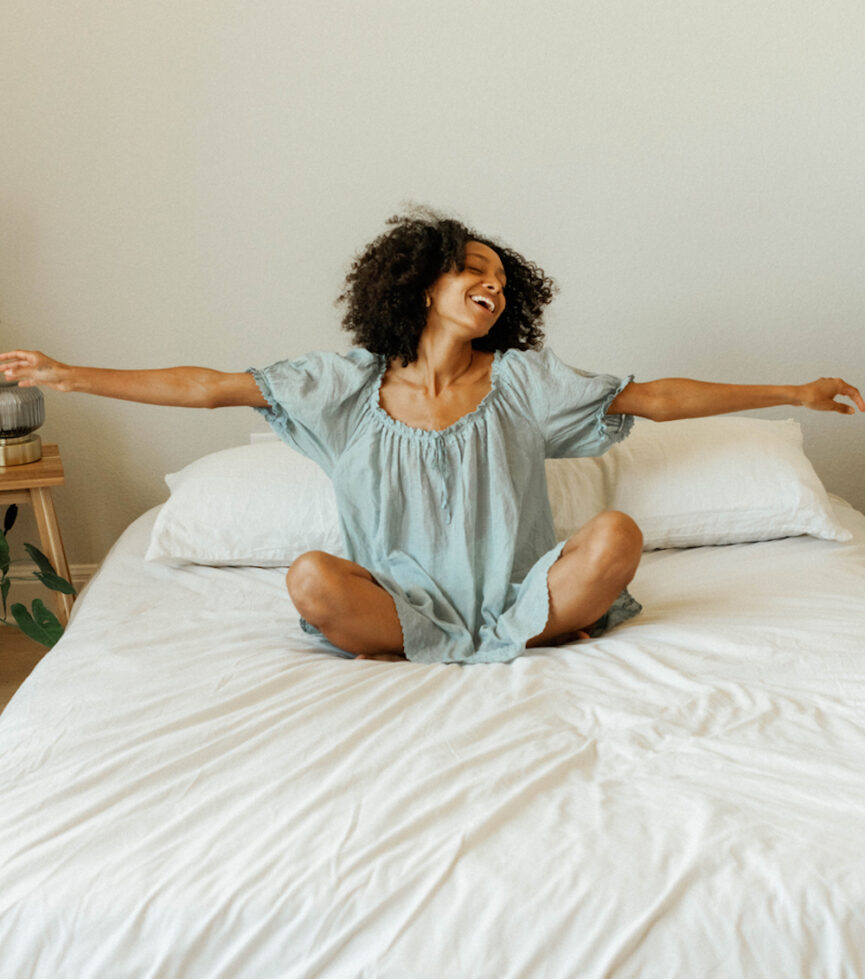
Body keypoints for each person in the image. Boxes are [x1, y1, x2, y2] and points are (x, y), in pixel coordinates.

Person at [3, 206, 863, 665]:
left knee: (615, 536)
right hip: (394, 604)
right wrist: (69, 375)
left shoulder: (523, 382)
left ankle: (530, 628)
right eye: (471, 270)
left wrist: (792, 389)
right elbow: (207, 386)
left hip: (525, 596)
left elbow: (656, 398)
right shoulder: (339, 388)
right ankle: (449, 643)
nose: (489, 285)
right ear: (420, 283)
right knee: (310, 580)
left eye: (497, 278)